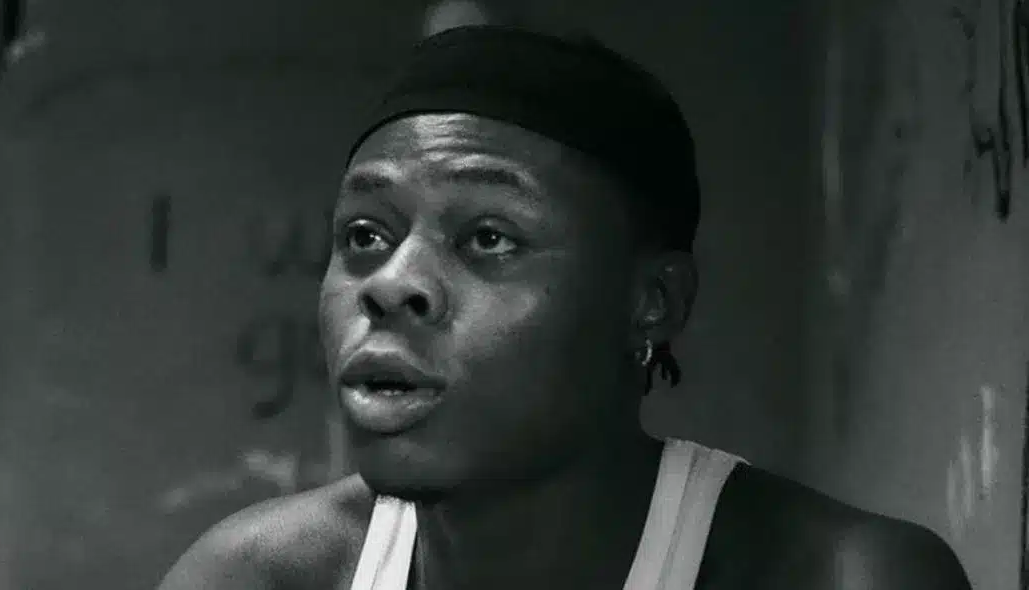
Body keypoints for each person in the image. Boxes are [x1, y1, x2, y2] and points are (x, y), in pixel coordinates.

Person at [158, 25, 973, 590]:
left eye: (488, 239)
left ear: (652, 303)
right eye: (366, 235)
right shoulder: (254, 579)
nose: (391, 282)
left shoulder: (842, 578)